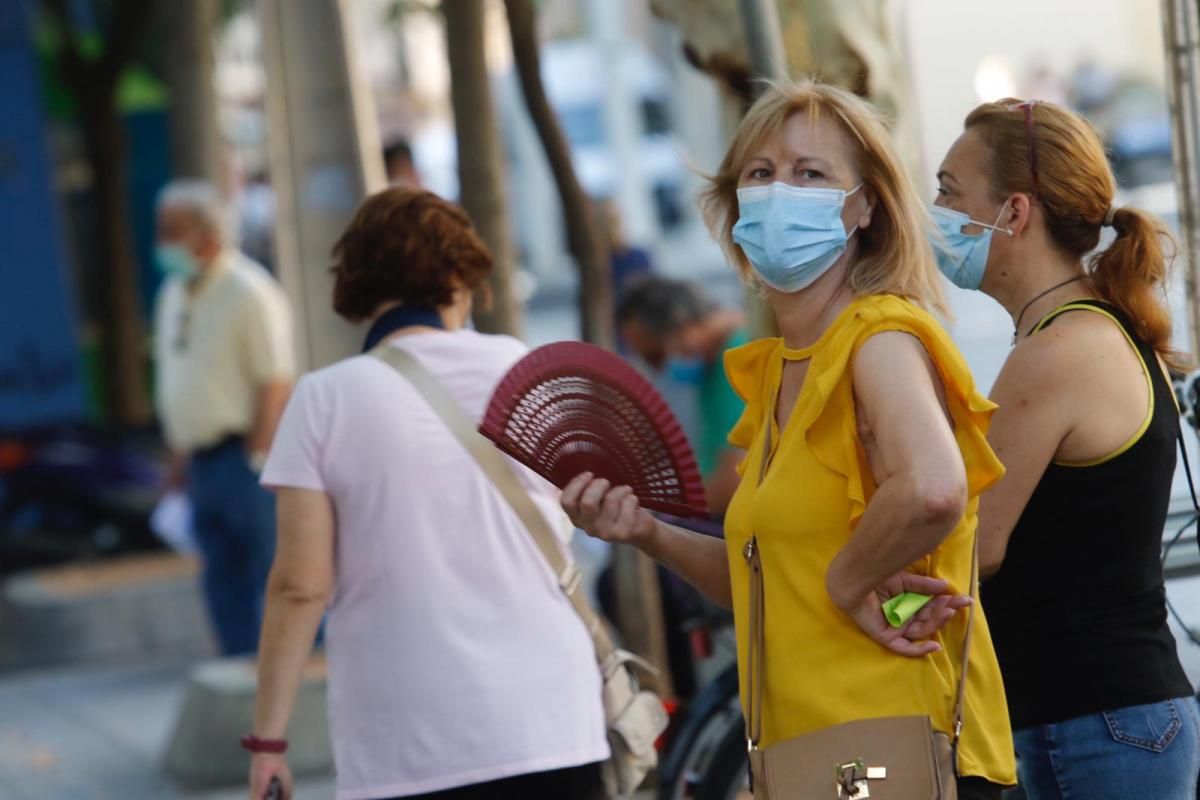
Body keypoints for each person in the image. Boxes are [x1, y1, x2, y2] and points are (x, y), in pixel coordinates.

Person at [563, 80, 1016, 799]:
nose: (779, 192)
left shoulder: (879, 338)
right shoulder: (778, 370)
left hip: (894, 748)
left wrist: (848, 580)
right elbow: (764, 576)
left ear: (864, 206)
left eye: (811, 174)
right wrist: (647, 532)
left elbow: (934, 488)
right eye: (760, 173)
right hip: (819, 759)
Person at [247, 188, 608, 800]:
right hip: (552, 718)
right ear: (461, 279)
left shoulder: (325, 398)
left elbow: (300, 585)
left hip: (408, 739)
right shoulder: (523, 369)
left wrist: (268, 742)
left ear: (358, 285)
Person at [932, 98, 1200, 799]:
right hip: (1110, 719)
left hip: (1089, 724)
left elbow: (975, 542)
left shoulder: (1055, 353)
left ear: (1014, 213)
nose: (935, 211)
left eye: (949, 191)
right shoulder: (1085, 331)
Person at [152, 179, 294, 656]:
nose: (163, 242)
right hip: (200, 460)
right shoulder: (173, 292)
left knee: (274, 573)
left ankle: (302, 671)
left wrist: (258, 455)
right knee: (222, 580)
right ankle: (241, 675)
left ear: (208, 236)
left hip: (243, 458)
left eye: (173, 230)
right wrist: (177, 458)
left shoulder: (249, 290)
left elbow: (274, 381)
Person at [616, 276, 746, 514]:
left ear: (683, 328)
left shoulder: (738, 358)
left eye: (655, 356)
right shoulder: (714, 366)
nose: (659, 371)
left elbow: (732, 482)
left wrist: (668, 512)